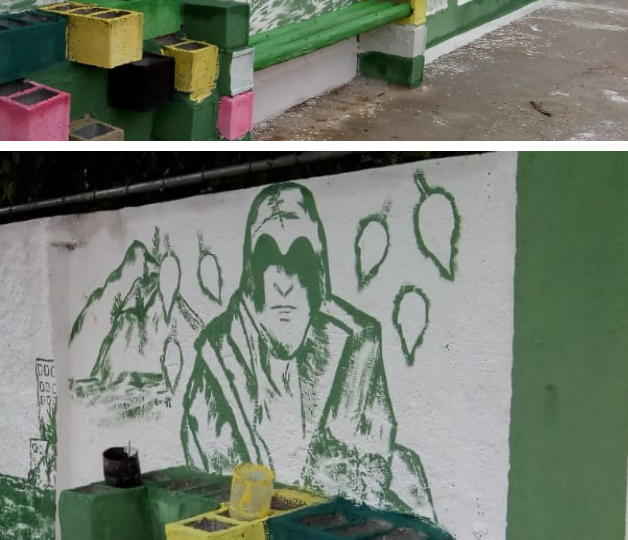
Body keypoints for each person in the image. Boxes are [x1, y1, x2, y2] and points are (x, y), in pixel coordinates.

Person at [180, 183, 436, 519]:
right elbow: (210, 471)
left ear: (316, 275)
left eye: (298, 260)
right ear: (253, 274)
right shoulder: (219, 352)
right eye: (269, 258)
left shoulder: (357, 340)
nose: (284, 282)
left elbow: (371, 456)